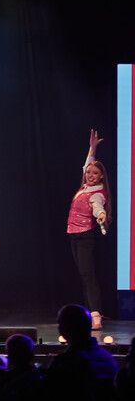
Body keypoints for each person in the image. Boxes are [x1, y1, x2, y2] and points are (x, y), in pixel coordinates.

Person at [66, 129, 111, 329]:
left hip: (85, 236)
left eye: (95, 173)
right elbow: (87, 164)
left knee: (88, 276)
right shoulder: (85, 187)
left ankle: (96, 316)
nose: (90, 175)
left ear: (101, 177)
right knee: (84, 276)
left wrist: (101, 215)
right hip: (75, 236)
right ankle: (89, 314)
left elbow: (98, 207)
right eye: (89, 173)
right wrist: (92, 148)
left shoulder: (96, 194)